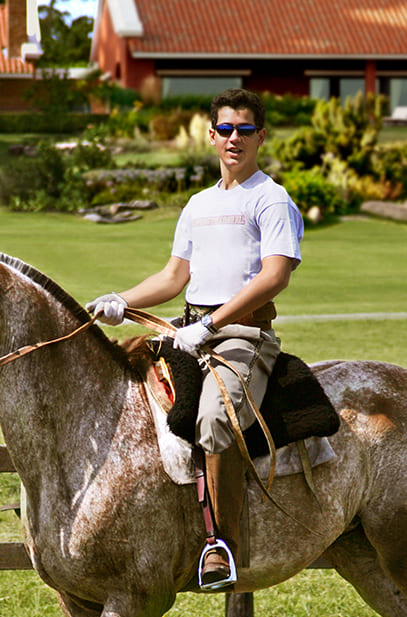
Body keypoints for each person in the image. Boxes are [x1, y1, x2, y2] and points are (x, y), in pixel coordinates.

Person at [86, 88, 304, 590]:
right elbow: (172, 277)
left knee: (214, 417)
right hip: (187, 329)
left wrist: (212, 324)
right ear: (211, 135)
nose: (234, 139)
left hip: (243, 334)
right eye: (225, 129)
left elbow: (274, 277)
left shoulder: (272, 199)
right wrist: (121, 301)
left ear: (260, 137)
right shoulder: (198, 204)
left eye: (245, 130)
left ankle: (220, 546)